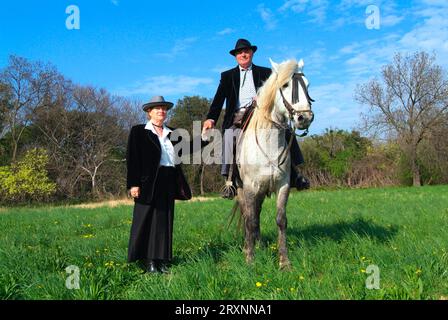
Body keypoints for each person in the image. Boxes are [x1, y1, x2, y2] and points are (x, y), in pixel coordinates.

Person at [202, 38, 310, 199]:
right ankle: (229, 181)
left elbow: (277, 94)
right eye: (240, 52)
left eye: (246, 51)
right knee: (229, 135)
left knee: (286, 130)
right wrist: (211, 118)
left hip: (262, 113)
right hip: (238, 115)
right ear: (235, 56)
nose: (243, 54)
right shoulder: (227, 76)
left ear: (252, 53)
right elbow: (218, 99)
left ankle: (296, 173)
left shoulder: (266, 72)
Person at [126, 95, 192, 274]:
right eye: (157, 108)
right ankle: (149, 262)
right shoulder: (139, 131)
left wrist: (207, 138)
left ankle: (162, 261)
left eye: (164, 108)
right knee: (147, 221)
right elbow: (133, 159)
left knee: (164, 222)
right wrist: (133, 184)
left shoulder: (174, 132)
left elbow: (189, 149)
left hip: (169, 179)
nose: (161, 111)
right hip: (148, 183)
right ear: (149, 112)